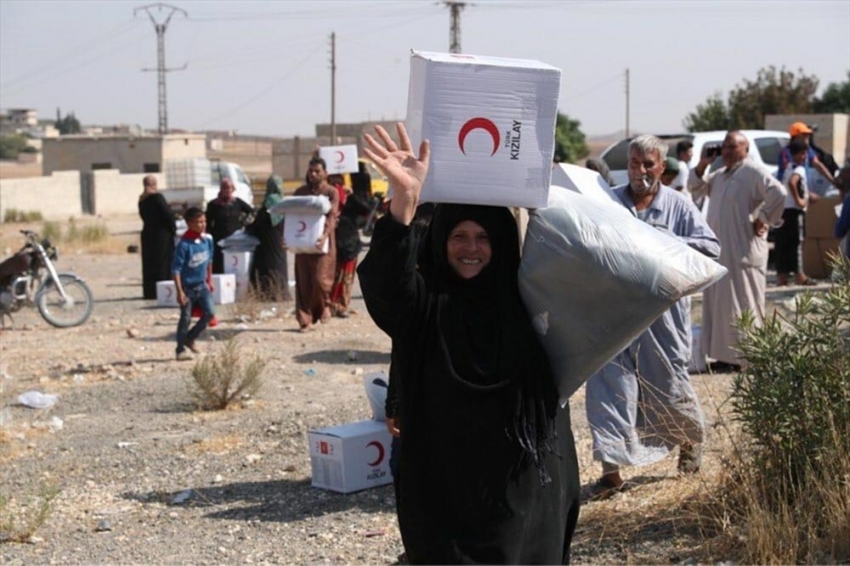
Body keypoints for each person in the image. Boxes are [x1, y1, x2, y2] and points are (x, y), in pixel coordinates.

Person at [358, 123, 580, 564]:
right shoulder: (426, 302)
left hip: (521, 484)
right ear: (441, 240)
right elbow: (387, 288)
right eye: (459, 236)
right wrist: (403, 203)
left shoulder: (529, 304)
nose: (471, 249)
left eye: (483, 238)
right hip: (447, 487)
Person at [585, 135, 720, 500]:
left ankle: (690, 447)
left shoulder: (678, 205)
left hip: (663, 316)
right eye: (634, 163)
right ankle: (610, 474)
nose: (640, 171)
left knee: (670, 383)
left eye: (648, 164)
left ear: (662, 167)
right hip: (615, 312)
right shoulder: (608, 201)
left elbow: (710, 247)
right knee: (608, 387)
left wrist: (665, 241)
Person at [688, 131, 787, 370]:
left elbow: (779, 193)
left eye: (732, 147)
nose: (727, 152)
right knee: (721, 303)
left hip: (743, 251)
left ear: (745, 149)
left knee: (743, 302)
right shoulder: (720, 175)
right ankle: (724, 357)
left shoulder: (753, 172)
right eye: (724, 147)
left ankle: (745, 356)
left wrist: (763, 218)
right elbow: (695, 187)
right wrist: (703, 163)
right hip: (723, 252)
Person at [293, 157, 339, 332]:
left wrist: (325, 234)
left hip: (324, 242)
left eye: (317, 171)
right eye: (311, 171)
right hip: (302, 242)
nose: (313, 174)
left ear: (325, 173)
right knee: (304, 281)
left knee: (321, 280)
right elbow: (291, 217)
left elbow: (332, 215)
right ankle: (305, 320)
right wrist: (287, 237)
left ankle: (324, 306)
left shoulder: (331, 192)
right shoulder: (300, 192)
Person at [172, 207, 215, 361]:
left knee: (210, 313)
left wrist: (209, 280)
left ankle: (190, 337)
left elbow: (209, 260)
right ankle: (180, 349)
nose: (202, 225)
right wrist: (179, 291)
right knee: (185, 318)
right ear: (189, 223)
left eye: (204, 221)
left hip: (202, 286)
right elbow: (176, 269)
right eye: (198, 222)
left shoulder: (207, 240)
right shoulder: (184, 245)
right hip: (187, 287)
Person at [775, 140, 818, 286]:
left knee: (783, 244)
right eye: (803, 153)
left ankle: (782, 276)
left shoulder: (788, 167)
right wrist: (799, 200)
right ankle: (800, 275)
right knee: (797, 243)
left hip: (784, 210)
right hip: (795, 211)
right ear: (798, 154)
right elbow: (793, 183)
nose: (805, 156)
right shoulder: (799, 169)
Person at [329, 174, 370, 317]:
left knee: (346, 276)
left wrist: (351, 196)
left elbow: (365, 210)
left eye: (337, 179)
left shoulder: (351, 198)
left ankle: (341, 304)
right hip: (331, 242)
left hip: (349, 242)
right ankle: (330, 304)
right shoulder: (326, 196)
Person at [248, 175, 291, 301]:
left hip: (267, 241)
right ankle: (279, 293)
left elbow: (261, 222)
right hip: (279, 240)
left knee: (265, 267)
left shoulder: (270, 201)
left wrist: (249, 228)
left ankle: (266, 294)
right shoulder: (283, 202)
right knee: (279, 266)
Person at [776, 122, 842, 196]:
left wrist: (833, 181)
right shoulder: (786, 153)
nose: (808, 137)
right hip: (788, 193)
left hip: (800, 191)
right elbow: (790, 179)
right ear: (797, 136)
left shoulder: (807, 150)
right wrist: (808, 194)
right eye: (805, 135)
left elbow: (818, 165)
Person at [138, 175, 176, 300]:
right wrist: (173, 228)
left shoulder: (142, 199)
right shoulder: (157, 197)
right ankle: (162, 292)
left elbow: (143, 216)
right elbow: (167, 214)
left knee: (149, 264)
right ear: (154, 184)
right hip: (161, 235)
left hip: (148, 233)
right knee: (163, 262)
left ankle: (150, 292)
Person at [205, 178, 254, 274]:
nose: (227, 190)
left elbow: (251, 211)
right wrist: (210, 234)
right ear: (221, 189)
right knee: (219, 264)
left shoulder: (237, 202)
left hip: (234, 239)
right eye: (225, 188)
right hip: (219, 239)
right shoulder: (213, 205)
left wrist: (244, 223)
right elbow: (207, 221)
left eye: (230, 188)